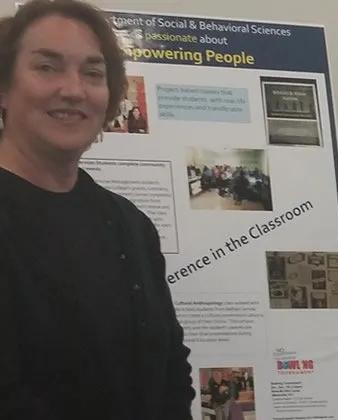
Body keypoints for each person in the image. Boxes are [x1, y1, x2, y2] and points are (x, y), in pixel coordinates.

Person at [0, 1, 194, 418]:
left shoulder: (131, 226)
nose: (74, 90)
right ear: (4, 86)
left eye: (92, 73)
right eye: (47, 67)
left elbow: (171, 370)